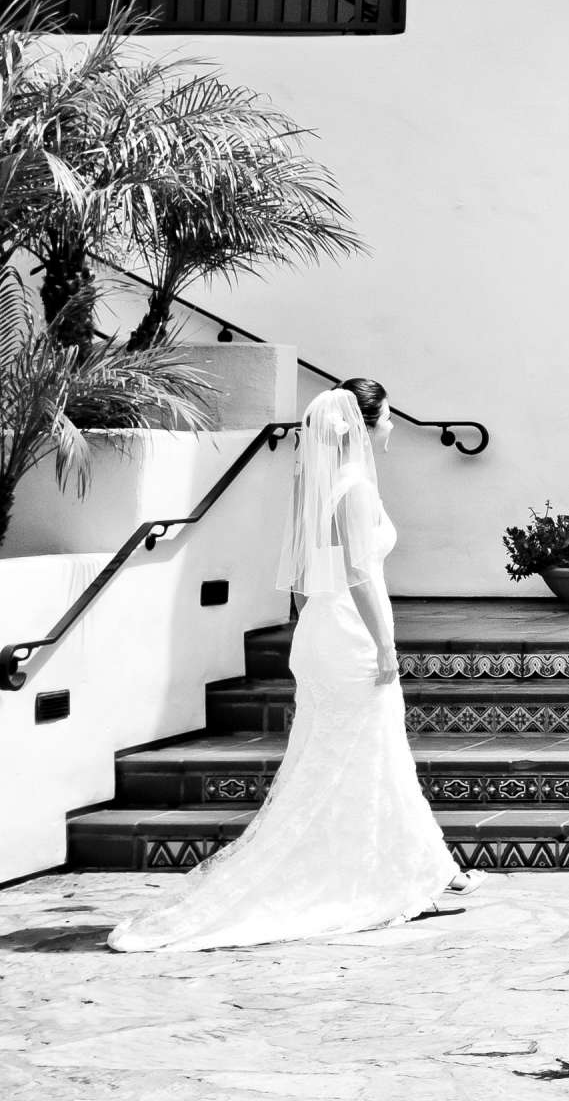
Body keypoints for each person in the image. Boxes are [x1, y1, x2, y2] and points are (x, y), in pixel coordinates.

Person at [110, 379, 472, 952]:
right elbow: (358, 573)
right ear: (365, 424)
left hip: (322, 632)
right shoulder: (352, 487)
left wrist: (319, 629)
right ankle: (389, 872)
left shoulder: (317, 485)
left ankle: (429, 863)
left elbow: (308, 584)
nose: (394, 426)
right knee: (363, 750)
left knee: (347, 751)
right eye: (388, 418)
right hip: (351, 635)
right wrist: (384, 644)